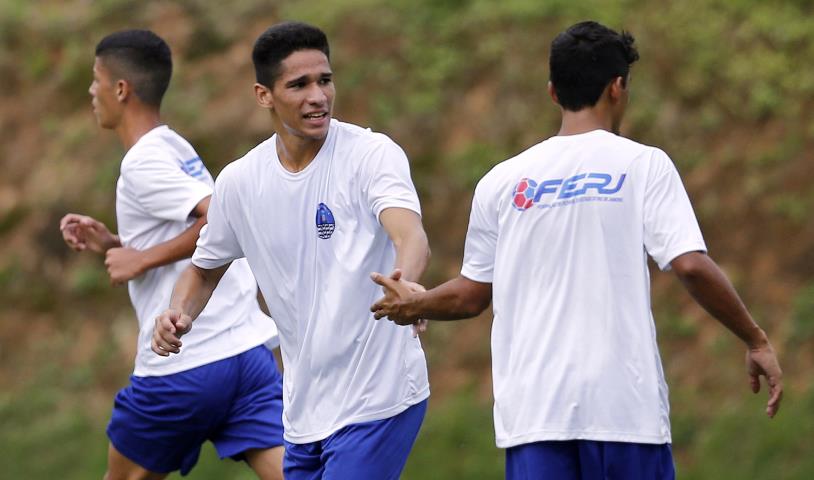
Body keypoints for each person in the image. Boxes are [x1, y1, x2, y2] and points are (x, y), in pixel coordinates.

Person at [370, 20, 783, 480]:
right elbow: (688, 263)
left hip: (535, 419)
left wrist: (418, 302)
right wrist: (755, 338)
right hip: (625, 414)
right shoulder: (643, 165)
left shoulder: (501, 181)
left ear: (553, 92)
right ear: (618, 87)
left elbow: (471, 294)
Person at [151, 22, 431, 480]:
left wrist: (407, 281)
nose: (318, 96)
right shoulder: (241, 182)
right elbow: (203, 271)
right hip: (302, 413)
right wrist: (176, 313)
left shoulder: (371, 155)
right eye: (299, 85)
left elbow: (410, 234)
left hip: (379, 396)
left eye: (325, 80)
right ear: (264, 95)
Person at [59, 29, 285, 480]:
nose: (91, 91)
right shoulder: (174, 146)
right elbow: (199, 228)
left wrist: (141, 260)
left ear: (120, 90)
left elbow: (220, 216)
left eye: (95, 79)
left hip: (187, 362)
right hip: (247, 356)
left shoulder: (143, 162)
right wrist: (117, 246)